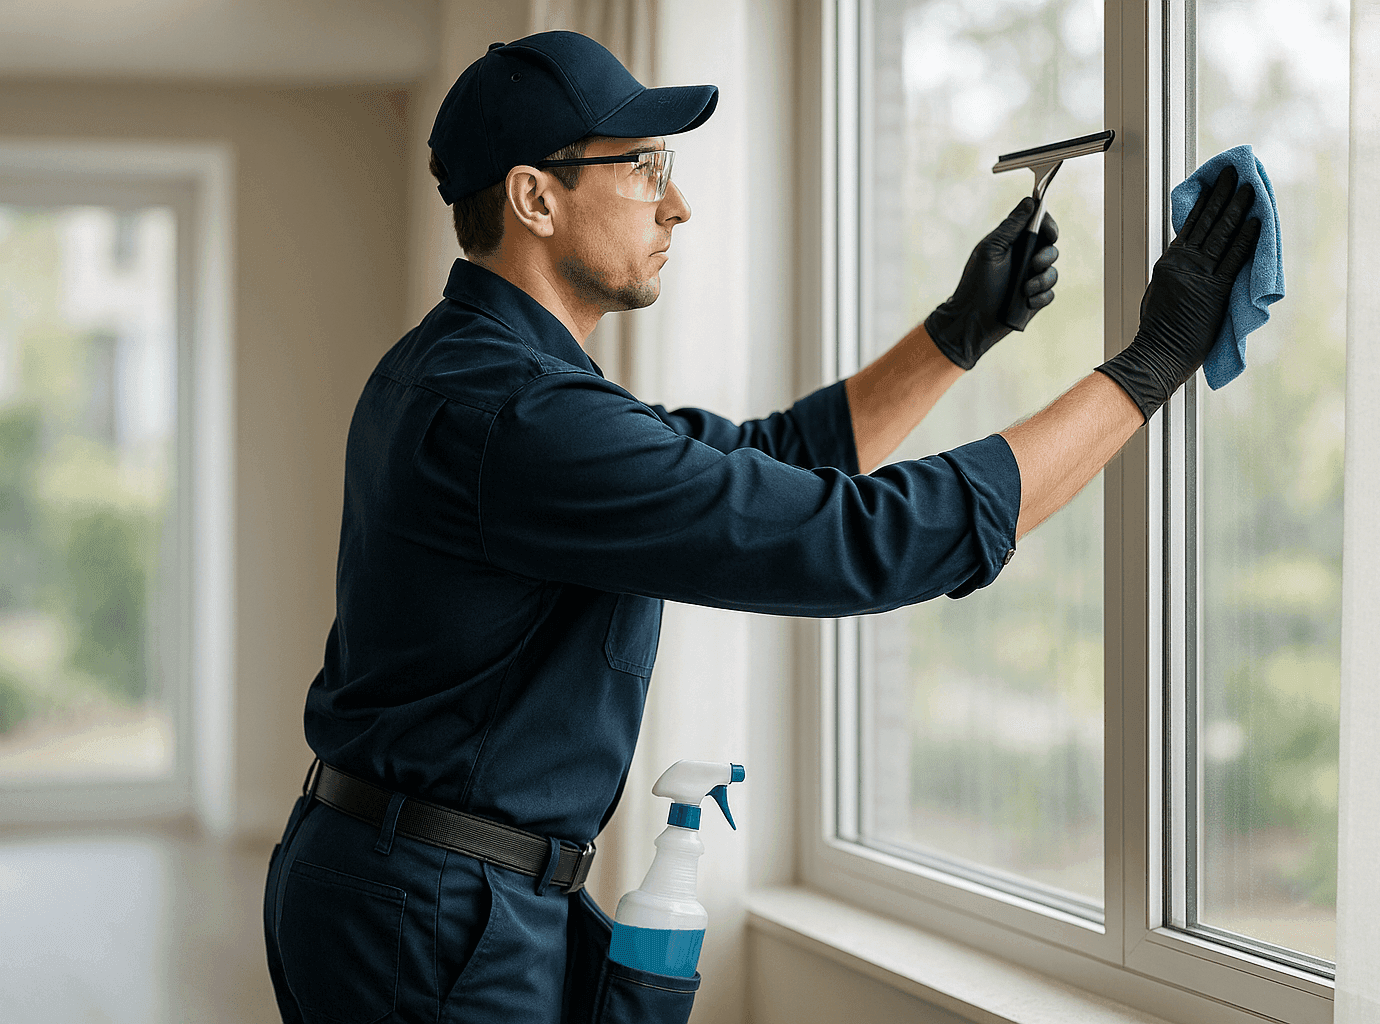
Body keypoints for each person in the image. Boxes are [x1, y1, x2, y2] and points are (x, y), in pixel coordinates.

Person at [261, 30, 1258, 1024]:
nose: (676, 203)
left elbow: (764, 456)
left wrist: (958, 334)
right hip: (430, 914)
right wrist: (1152, 361)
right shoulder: (521, 416)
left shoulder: (471, 370)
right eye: (644, 166)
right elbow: (855, 540)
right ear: (535, 196)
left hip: (412, 881)